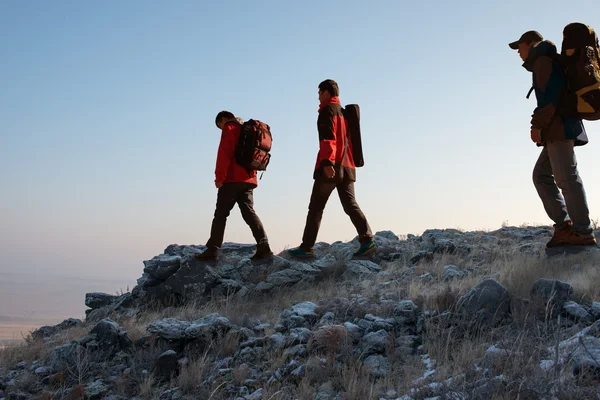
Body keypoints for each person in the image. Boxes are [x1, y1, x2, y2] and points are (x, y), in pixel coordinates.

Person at [509, 31, 596, 247]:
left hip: (559, 128)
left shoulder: (543, 62)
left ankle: (583, 231)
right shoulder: (546, 61)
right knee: (541, 175)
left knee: (566, 178)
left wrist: (536, 126)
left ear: (531, 44)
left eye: (519, 47)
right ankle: (564, 226)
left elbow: (551, 97)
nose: (518, 52)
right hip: (558, 128)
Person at [288, 79, 376, 258]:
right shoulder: (345, 114)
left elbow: (328, 138)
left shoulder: (327, 111)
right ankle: (367, 240)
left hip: (332, 166)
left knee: (316, 207)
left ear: (327, 93)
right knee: (351, 205)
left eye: (319, 93)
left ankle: (306, 248)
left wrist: (327, 162)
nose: (318, 98)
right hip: (348, 166)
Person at [195, 111, 273, 260]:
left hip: (232, 179)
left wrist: (219, 177)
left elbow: (224, 153)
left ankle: (212, 249)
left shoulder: (230, 128)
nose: (221, 128)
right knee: (249, 213)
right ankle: (264, 246)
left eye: (220, 125)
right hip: (249, 179)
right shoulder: (247, 129)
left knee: (220, 214)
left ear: (224, 119)